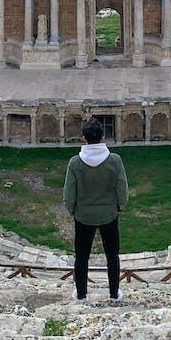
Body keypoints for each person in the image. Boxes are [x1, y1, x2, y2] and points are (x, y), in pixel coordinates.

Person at [63, 119, 128, 301]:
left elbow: (69, 193)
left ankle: (81, 294)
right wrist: (119, 206)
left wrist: (73, 211)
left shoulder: (75, 163)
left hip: (83, 215)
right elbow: (122, 188)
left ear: (84, 138)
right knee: (112, 255)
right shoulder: (114, 160)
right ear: (103, 137)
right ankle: (114, 294)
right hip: (109, 214)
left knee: (82, 256)